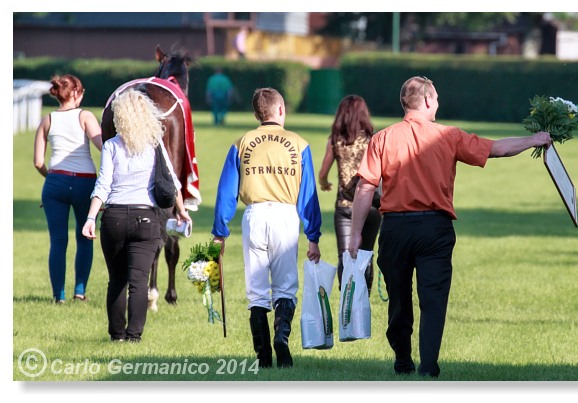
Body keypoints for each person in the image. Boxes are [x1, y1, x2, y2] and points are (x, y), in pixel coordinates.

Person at [347, 76, 552, 377]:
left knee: (399, 299)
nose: (438, 105)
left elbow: (365, 189)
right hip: (435, 229)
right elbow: (496, 149)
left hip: (395, 230)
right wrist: (534, 140)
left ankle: (403, 358)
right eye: (437, 99)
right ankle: (428, 366)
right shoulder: (448, 136)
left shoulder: (383, 139)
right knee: (433, 300)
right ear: (428, 100)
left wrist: (355, 233)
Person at [212, 87, 322, 368]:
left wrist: (219, 232)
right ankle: (281, 338)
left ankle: (263, 356)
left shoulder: (242, 142)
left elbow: (227, 192)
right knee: (286, 287)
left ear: (256, 114)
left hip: (254, 215)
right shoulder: (299, 144)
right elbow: (308, 193)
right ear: (281, 110)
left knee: (257, 290)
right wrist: (313, 236)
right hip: (286, 216)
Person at [81, 89, 192, 343]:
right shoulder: (155, 146)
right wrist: (182, 210)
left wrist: (90, 218)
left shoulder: (110, 146)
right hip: (146, 220)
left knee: (116, 281)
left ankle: (117, 335)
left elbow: (103, 185)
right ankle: (134, 336)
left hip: (114, 219)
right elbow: (172, 182)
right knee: (139, 282)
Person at [34, 74, 103, 304]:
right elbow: (103, 146)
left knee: (57, 241)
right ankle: (80, 292)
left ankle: (58, 296)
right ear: (74, 93)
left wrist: (52, 178)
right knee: (85, 238)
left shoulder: (47, 120)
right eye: (81, 91)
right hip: (84, 182)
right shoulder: (85, 116)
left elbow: (38, 162)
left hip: (54, 184)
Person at [318, 95, 381, 294]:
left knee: (345, 256)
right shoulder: (373, 140)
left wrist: (325, 183)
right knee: (366, 254)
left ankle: (347, 295)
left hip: (345, 207)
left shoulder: (335, 141)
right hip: (371, 206)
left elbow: (323, 173)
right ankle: (364, 297)